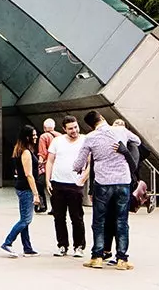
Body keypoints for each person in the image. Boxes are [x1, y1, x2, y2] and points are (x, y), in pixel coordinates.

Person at [72, 111, 138, 271]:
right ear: (101, 118)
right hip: (123, 180)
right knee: (122, 221)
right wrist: (123, 149)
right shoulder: (121, 131)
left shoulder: (90, 137)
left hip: (103, 182)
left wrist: (77, 168)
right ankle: (122, 259)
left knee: (99, 220)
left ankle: (97, 256)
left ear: (90, 125)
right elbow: (137, 141)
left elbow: (79, 163)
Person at [43, 116, 86, 257]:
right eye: (70, 128)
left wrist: (83, 178)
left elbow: (91, 161)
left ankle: (79, 246)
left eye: (75, 127)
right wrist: (48, 180)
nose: (74, 130)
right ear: (64, 129)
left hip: (75, 184)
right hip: (58, 183)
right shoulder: (57, 141)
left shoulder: (85, 140)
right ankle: (62, 245)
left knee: (77, 217)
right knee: (59, 217)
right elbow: (50, 161)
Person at [0, 124, 40, 257]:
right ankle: (8, 242)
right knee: (26, 220)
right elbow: (29, 174)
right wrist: (36, 193)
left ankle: (27, 248)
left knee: (24, 219)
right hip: (26, 188)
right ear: (27, 137)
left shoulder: (19, 149)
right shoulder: (26, 152)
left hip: (21, 187)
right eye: (33, 135)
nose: (36, 137)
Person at [35, 119, 58, 213]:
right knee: (54, 186)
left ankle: (42, 205)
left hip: (47, 165)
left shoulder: (43, 136)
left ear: (44, 128)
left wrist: (39, 164)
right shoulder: (60, 136)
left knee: (39, 184)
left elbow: (42, 153)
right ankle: (55, 207)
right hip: (57, 165)